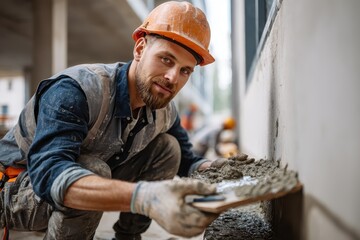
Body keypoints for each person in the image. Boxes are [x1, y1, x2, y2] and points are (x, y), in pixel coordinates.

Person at [0, 1, 226, 240]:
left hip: (85, 176)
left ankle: (128, 237)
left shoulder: (163, 109)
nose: (172, 78)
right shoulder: (78, 90)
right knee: (93, 170)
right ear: (139, 49)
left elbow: (186, 160)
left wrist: (214, 169)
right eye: (166, 60)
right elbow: (50, 174)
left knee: (168, 149)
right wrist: (144, 197)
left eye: (185, 71)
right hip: (17, 188)